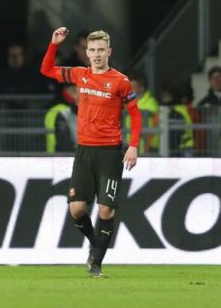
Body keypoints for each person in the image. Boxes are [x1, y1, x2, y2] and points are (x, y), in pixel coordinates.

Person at [40, 27, 141, 277]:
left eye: (100, 50)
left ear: (109, 52)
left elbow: (136, 114)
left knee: (106, 210)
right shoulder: (79, 75)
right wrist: (54, 45)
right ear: (86, 52)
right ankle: (95, 242)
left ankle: (95, 263)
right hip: (84, 151)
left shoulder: (120, 81)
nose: (96, 55)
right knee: (76, 209)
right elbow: (46, 70)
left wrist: (134, 145)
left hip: (110, 153)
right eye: (92, 50)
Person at [44, 83, 78, 152]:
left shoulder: (57, 109)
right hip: (60, 157)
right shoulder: (58, 111)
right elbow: (54, 139)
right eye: (72, 89)